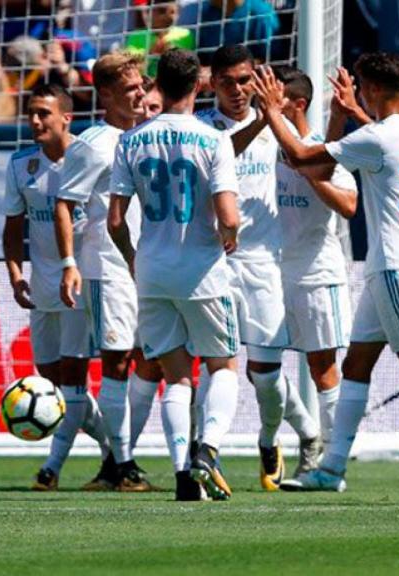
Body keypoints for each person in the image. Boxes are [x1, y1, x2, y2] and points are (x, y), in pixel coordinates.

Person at [250, 52, 399, 493]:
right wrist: (354, 113)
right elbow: (378, 134)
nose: (357, 91)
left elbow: (305, 158)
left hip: (395, 267)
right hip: (395, 264)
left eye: (361, 86)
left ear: (375, 89)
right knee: (356, 365)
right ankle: (332, 468)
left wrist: (269, 111)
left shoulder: (378, 139)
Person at [108, 48, 241, 501]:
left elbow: (114, 220)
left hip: (152, 269)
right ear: (199, 86)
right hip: (201, 268)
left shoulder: (130, 140)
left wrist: (131, 256)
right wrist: (230, 233)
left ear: (156, 86)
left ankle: (184, 476)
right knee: (223, 364)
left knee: (176, 375)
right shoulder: (214, 139)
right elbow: (228, 213)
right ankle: (208, 449)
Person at [196, 45, 321, 491]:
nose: (237, 90)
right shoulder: (202, 128)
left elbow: (313, 156)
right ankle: (205, 455)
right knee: (215, 369)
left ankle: (273, 439)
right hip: (212, 263)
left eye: (245, 80)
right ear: (212, 83)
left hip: (264, 264)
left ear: (256, 79)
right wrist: (263, 122)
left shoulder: (276, 124)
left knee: (265, 377)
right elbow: (220, 155)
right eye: (227, 81)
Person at [54, 52, 163, 492]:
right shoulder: (93, 143)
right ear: (105, 95)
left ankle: (116, 461)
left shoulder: (148, 136)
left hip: (149, 265)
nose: (140, 94)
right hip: (109, 266)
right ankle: (122, 465)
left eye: (141, 86)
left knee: (151, 361)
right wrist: (69, 263)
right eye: (130, 88)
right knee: (116, 362)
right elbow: (64, 203)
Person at [2, 82, 111, 492]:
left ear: (67, 117)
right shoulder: (21, 165)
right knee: (52, 387)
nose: (34, 121)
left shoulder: (90, 156)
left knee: (73, 380)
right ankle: (116, 453)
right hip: (41, 288)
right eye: (31, 113)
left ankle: (51, 468)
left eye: (43, 113)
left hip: (78, 283)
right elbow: (13, 227)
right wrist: (15, 274)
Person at [272, 65, 358, 479]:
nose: (265, 104)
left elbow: (349, 206)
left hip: (315, 272)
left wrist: (310, 176)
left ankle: (332, 461)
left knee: (322, 368)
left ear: (297, 103)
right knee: (260, 366)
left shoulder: (321, 148)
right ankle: (307, 433)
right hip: (269, 274)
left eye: (276, 97)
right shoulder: (261, 145)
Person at [125, 0, 195, 77]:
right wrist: (152, 53)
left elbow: (189, 66)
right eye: (161, 10)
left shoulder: (185, 35)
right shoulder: (136, 36)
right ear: (148, 12)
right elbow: (132, 68)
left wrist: (171, 54)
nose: (167, 15)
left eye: (173, 11)